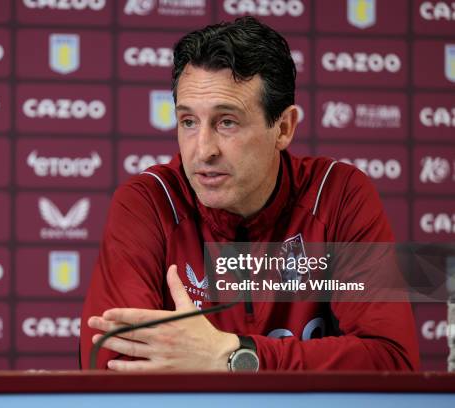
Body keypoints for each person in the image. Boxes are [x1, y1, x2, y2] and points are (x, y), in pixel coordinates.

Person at [80, 16, 419, 371]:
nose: (203, 150)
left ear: (283, 128)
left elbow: (391, 361)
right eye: (188, 122)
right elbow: (111, 365)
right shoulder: (149, 202)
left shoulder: (337, 195)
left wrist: (233, 355)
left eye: (227, 121)